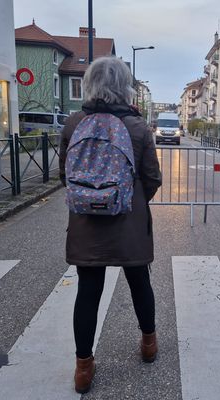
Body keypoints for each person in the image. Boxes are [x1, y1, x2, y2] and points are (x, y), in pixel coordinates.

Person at [59, 56, 162, 394]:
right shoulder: (137, 127)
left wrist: (92, 198)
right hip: (128, 221)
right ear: (125, 86)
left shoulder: (74, 124)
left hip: (87, 223)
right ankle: (148, 345)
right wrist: (128, 200)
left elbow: (65, 175)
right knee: (139, 282)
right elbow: (152, 178)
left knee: (88, 292)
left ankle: (83, 369)